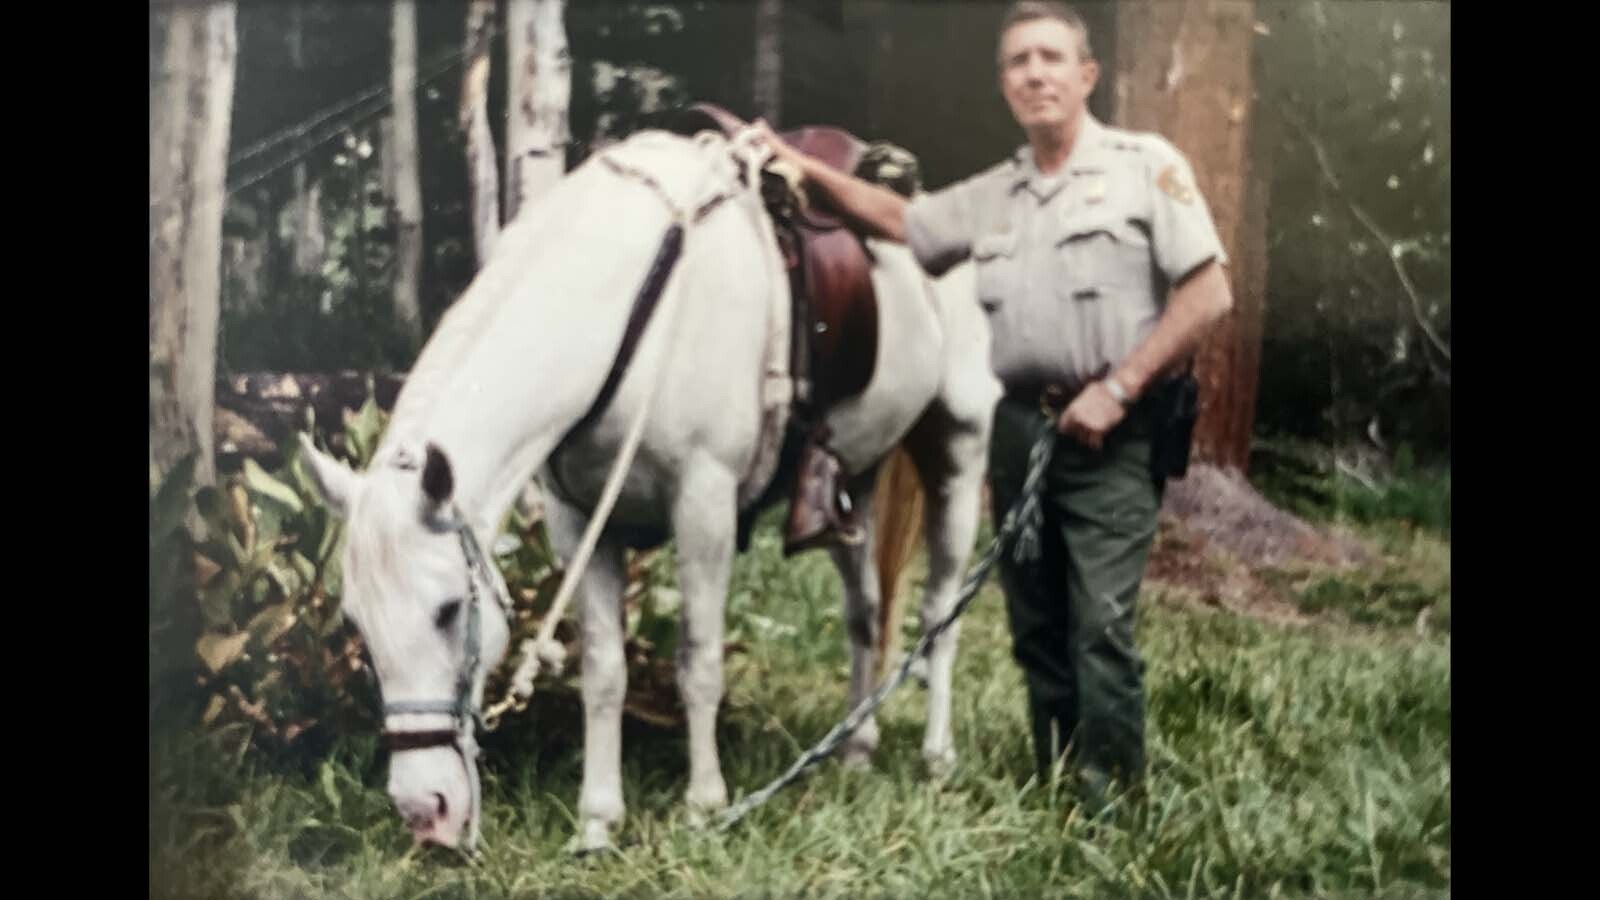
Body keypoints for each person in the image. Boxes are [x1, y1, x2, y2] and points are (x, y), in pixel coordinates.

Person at [754, 0, 1235, 815]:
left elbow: (1209, 292)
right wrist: (801, 169)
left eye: (1053, 58)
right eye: (1018, 62)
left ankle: (1112, 808)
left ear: (1087, 76)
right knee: (1036, 624)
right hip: (1020, 428)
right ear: (1006, 85)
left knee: (1100, 625)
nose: (1036, 74)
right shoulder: (999, 192)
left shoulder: (1142, 166)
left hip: (1113, 435)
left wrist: (1119, 390)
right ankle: (1057, 789)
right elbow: (905, 220)